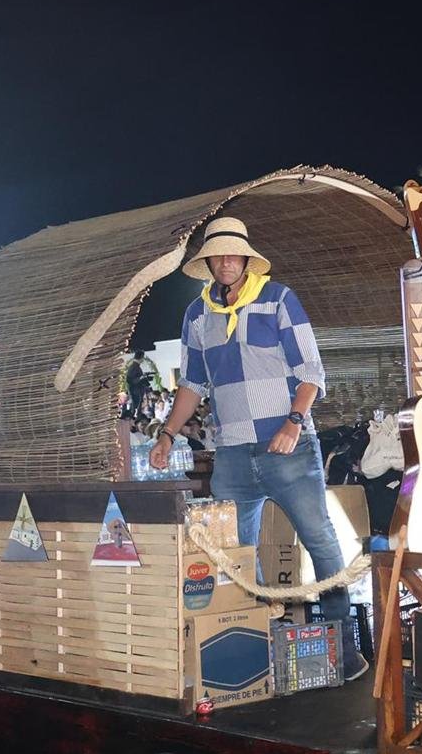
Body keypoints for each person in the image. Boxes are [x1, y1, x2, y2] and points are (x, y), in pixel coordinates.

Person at [148, 216, 357, 668]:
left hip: (287, 448)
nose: (225, 262)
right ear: (207, 262)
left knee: (319, 539)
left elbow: (311, 372)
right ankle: (258, 637)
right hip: (232, 455)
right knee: (236, 555)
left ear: (246, 258)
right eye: (216, 256)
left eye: (232, 254)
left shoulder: (278, 298)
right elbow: (192, 385)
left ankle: (343, 645)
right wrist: (166, 433)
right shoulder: (196, 315)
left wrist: (293, 422)